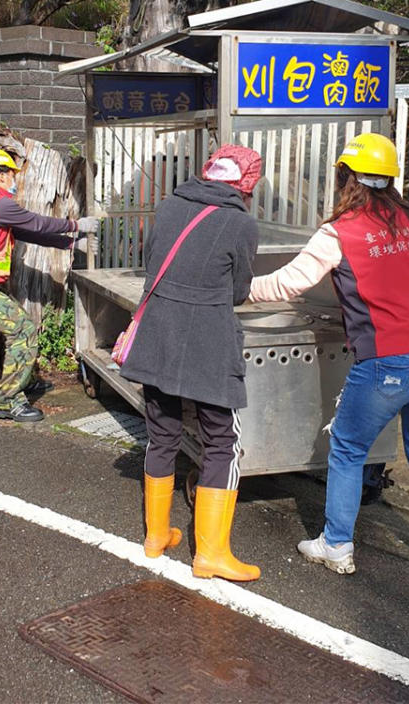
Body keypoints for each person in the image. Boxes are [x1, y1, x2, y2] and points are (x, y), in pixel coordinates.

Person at [248, 133, 409, 582]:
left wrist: (241, 288)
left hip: (390, 360)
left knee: (348, 449)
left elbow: (289, 284)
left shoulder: (340, 231)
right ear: (389, 179)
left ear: (346, 176)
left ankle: (335, 544)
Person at [120, 145, 262, 582]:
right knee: (222, 441)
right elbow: (238, 291)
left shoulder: (170, 205)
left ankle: (156, 536)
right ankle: (211, 554)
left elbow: (153, 265)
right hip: (206, 344)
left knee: (161, 433)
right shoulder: (239, 222)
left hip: (158, 335)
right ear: (246, 182)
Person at [0, 147, 101, 423]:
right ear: (1, 176)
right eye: (11, 174)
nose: (15, 179)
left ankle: (22, 380)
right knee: (24, 330)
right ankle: (8, 402)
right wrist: (77, 225)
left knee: (19, 328)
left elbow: (28, 232)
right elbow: (36, 223)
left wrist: (72, 243)